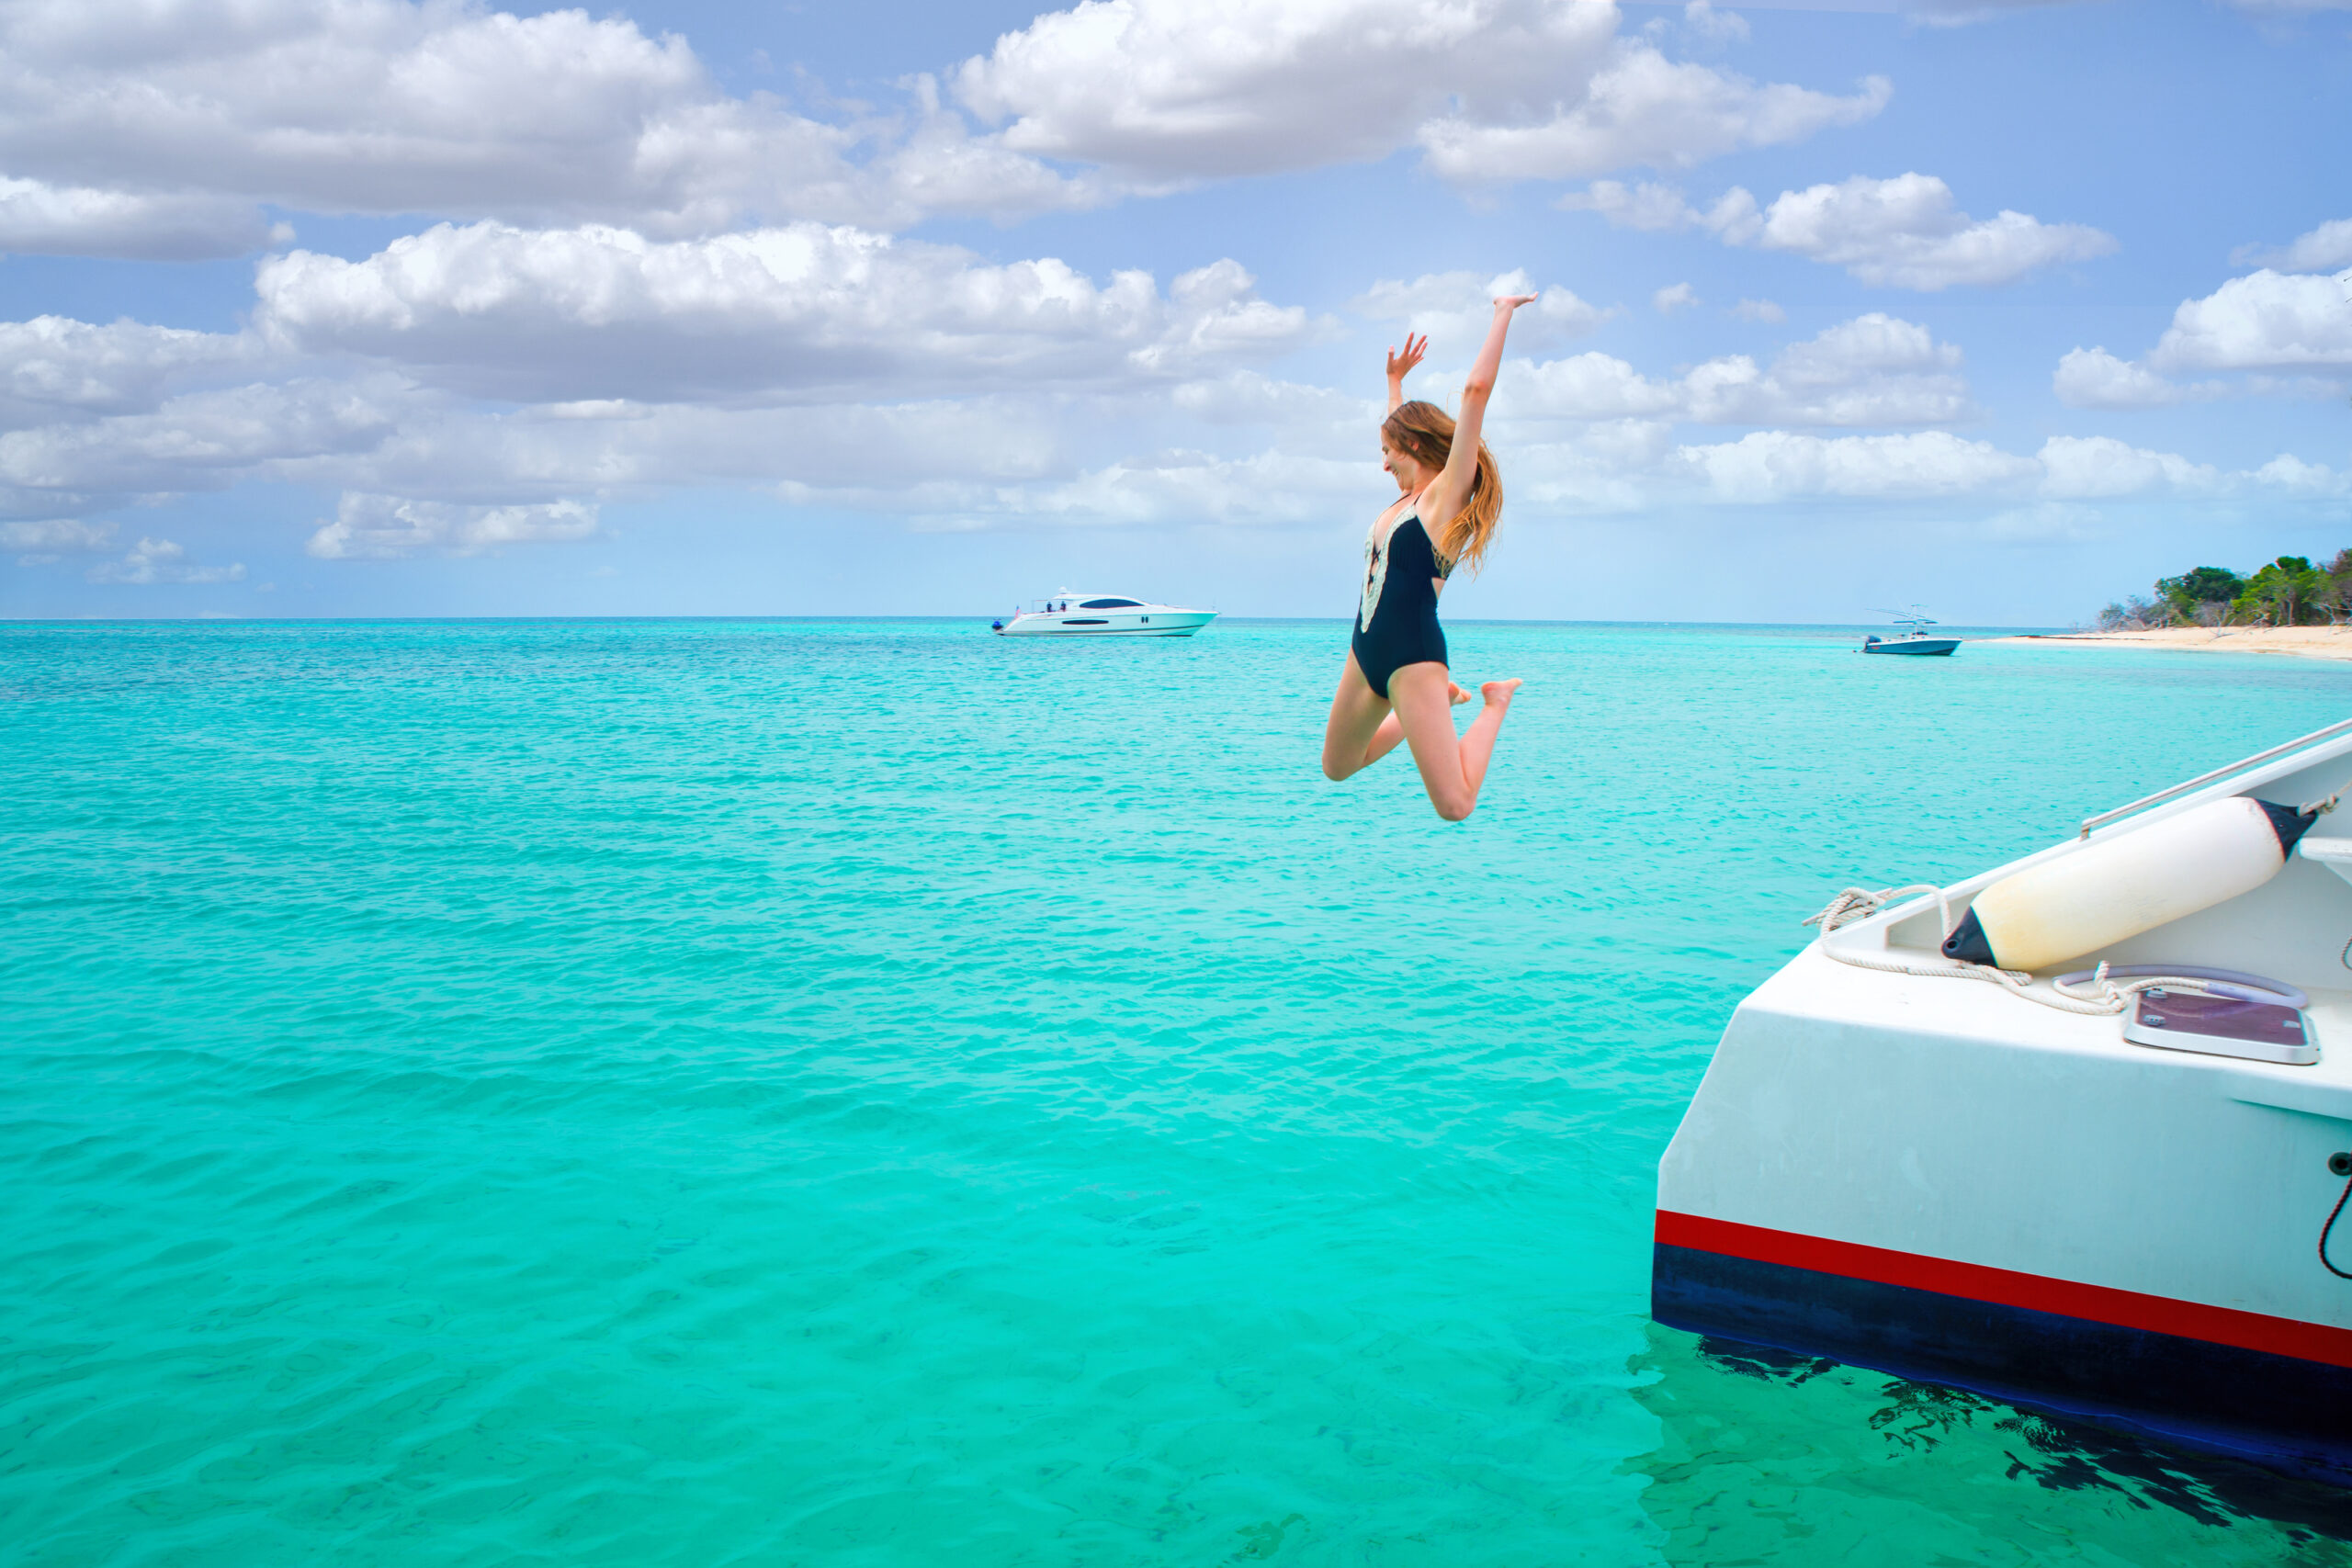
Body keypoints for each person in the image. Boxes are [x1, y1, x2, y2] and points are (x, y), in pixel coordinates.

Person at [1319, 293, 1534, 821]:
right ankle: (1442, 704)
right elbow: (1399, 425)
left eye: (1388, 452)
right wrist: (1395, 380)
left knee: (1455, 806)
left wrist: (1501, 312)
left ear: (1413, 446)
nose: (1383, 463)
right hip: (1364, 649)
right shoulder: (1402, 502)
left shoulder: (1444, 499)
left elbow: (1476, 391)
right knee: (1337, 766)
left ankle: (1494, 701)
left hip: (1413, 658)